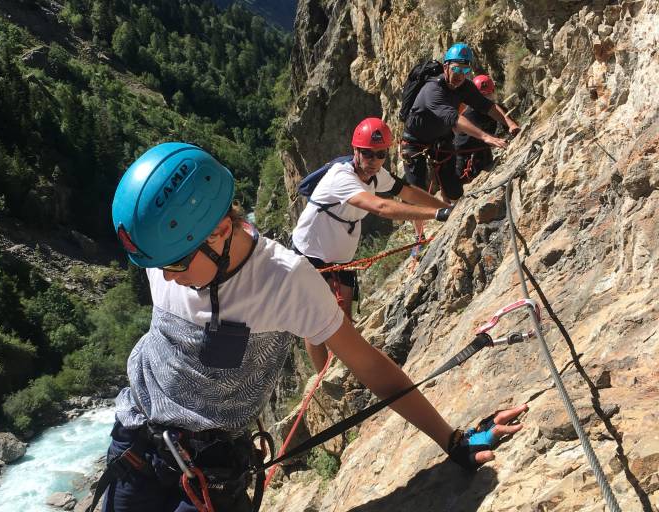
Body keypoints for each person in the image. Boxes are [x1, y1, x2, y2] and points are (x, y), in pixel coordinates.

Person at [96, 142, 528, 512]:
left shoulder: (285, 282)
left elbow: (369, 365)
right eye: (158, 265)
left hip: (207, 469)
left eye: (174, 265)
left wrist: (452, 440)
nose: (166, 277)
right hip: (134, 440)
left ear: (220, 231)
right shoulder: (170, 249)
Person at [291, 117, 453, 323]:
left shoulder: (377, 174)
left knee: (344, 317)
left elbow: (408, 192)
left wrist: (446, 208)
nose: (373, 160)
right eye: (366, 153)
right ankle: (328, 356)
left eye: (380, 154)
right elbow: (381, 207)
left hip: (341, 253)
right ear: (355, 151)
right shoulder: (341, 177)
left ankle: (341, 355)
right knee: (316, 321)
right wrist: (436, 214)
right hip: (310, 250)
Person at [400, 43, 521, 205]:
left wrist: (510, 123)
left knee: (454, 191)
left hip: (441, 139)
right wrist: (486, 137)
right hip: (414, 143)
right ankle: (419, 230)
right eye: (456, 69)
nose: (460, 75)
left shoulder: (465, 87)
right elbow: (455, 119)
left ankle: (449, 211)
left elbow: (487, 106)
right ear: (446, 67)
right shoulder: (433, 90)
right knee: (417, 193)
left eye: (465, 71)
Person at [454, 74, 518, 184]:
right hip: (464, 155)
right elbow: (475, 135)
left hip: (482, 150)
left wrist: (512, 127)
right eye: (484, 95)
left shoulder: (496, 109)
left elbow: (510, 124)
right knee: (459, 184)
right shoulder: (469, 115)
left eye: (488, 95)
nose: (487, 98)